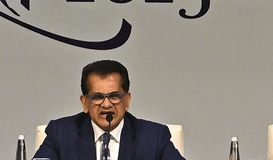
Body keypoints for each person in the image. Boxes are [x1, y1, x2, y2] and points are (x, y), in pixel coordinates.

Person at [33, 60, 184, 160]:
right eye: (98, 97)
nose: (106, 105)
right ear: (84, 102)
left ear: (127, 100)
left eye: (114, 96)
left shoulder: (154, 137)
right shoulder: (61, 134)